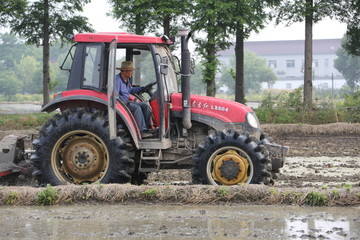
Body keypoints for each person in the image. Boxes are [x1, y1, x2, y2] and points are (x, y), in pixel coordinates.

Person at [115, 61, 153, 138]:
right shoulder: (117, 80)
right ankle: (141, 131)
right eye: (131, 71)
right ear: (125, 71)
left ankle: (147, 129)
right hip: (121, 103)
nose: (132, 73)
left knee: (145, 106)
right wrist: (124, 103)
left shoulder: (126, 80)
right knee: (137, 108)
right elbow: (115, 95)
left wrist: (142, 89)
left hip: (126, 101)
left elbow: (130, 90)